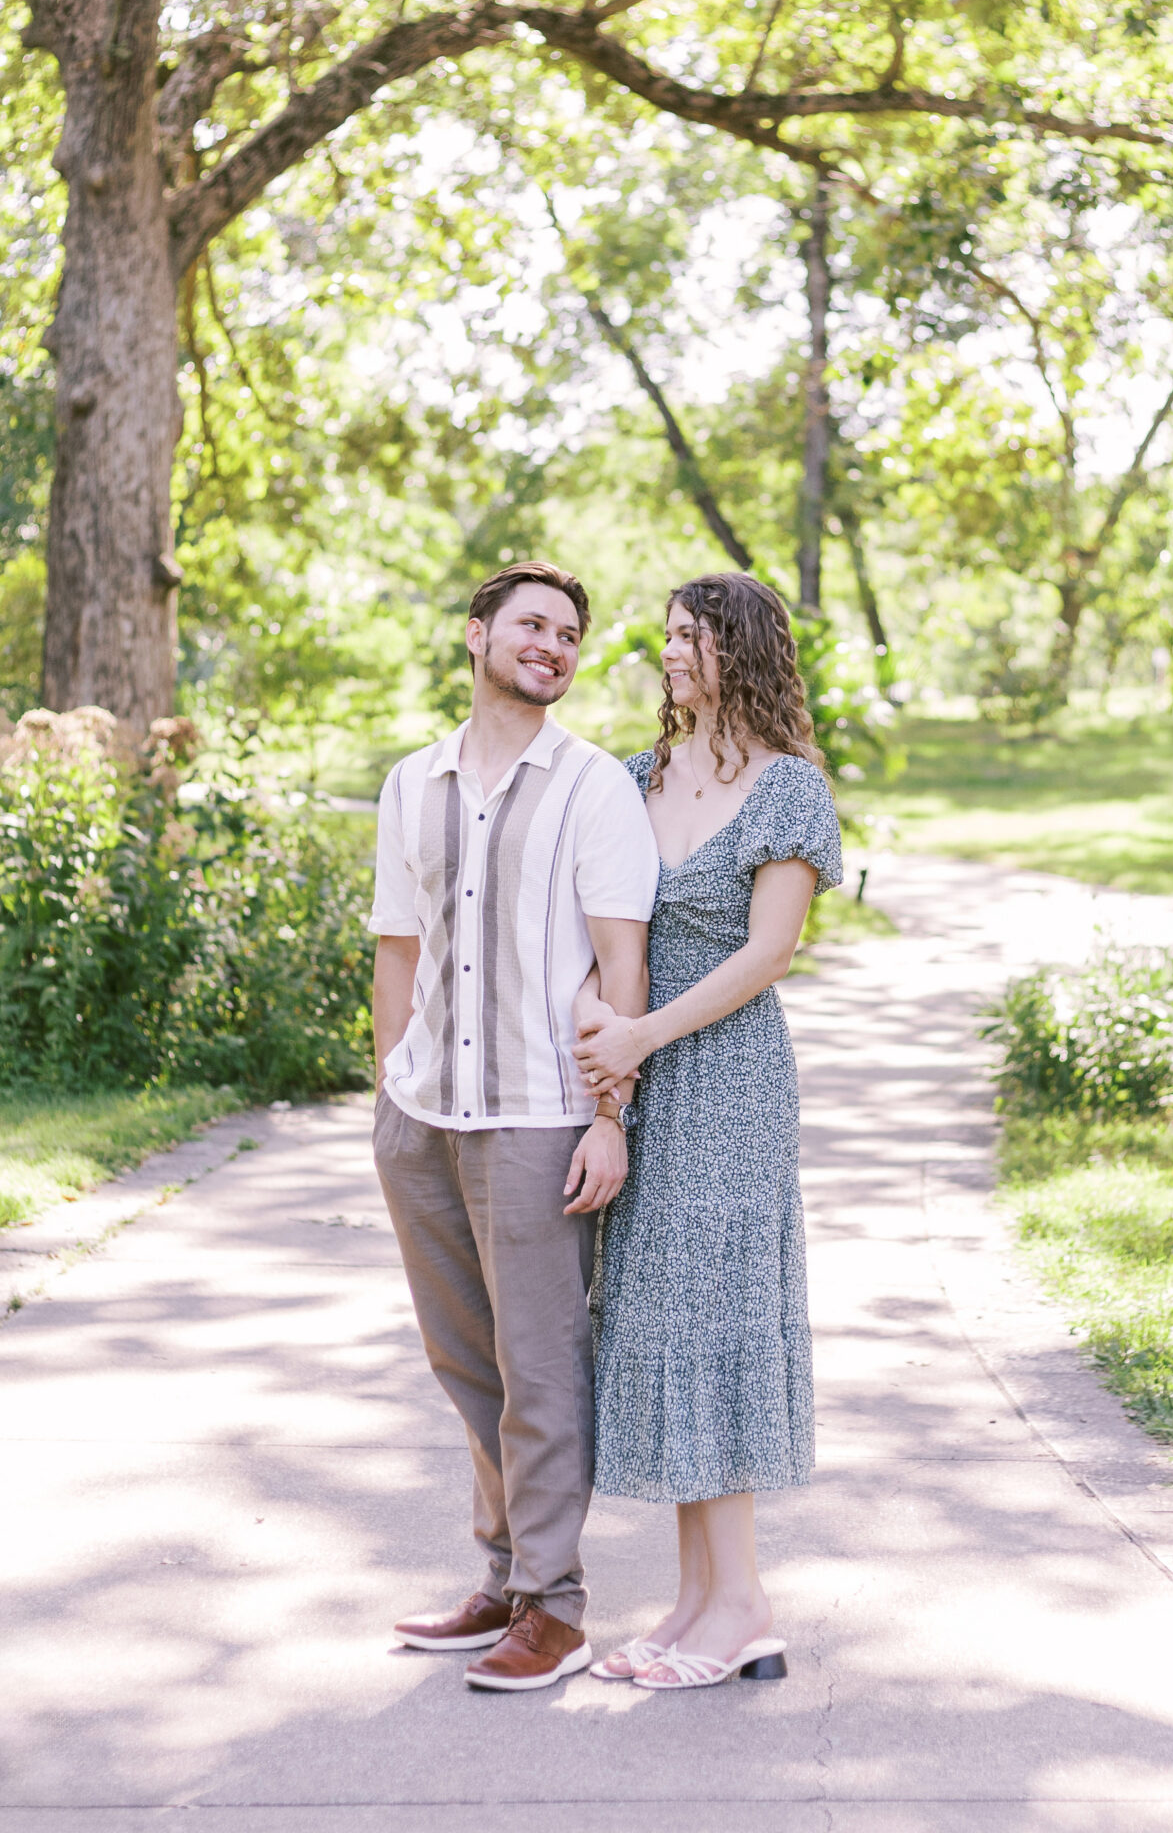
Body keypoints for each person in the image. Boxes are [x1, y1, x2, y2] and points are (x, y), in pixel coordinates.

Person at [370, 560, 658, 1691]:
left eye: (569, 634)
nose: (553, 645)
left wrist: (609, 1116)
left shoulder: (594, 789)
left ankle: (554, 1605)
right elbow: (399, 947)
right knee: (463, 1364)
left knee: (539, 1368)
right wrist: (387, 1091)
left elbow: (622, 964)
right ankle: (499, 1577)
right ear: (477, 634)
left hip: (539, 1115)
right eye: (532, 624)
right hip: (422, 1117)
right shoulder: (412, 784)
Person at [575, 571, 841, 1692]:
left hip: (727, 1082)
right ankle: (696, 1603)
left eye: (694, 636)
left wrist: (639, 1035)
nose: (672, 652)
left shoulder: (789, 790)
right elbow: (601, 923)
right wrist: (598, 1022)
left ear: (744, 649)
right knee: (663, 1327)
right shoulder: (636, 776)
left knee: (716, 1325)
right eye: (669, 635)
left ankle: (743, 1606)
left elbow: (768, 952)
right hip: (643, 1079)